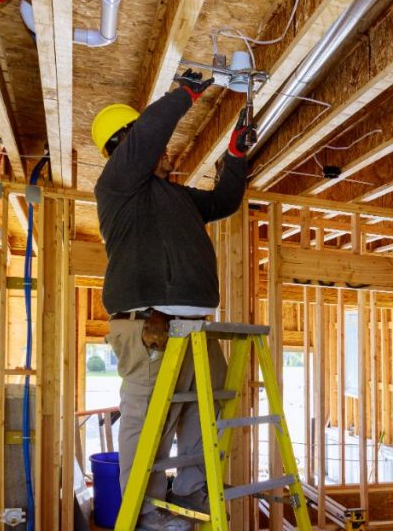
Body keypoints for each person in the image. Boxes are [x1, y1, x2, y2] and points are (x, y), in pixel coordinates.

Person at [92, 69, 255, 530]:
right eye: (151, 145)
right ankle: (143, 514)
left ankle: (190, 490)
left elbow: (223, 201)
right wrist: (183, 95)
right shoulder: (118, 187)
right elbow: (145, 139)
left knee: (200, 411)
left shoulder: (177, 197)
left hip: (194, 330)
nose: (164, 151)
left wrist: (236, 156)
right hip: (151, 328)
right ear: (126, 146)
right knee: (149, 423)